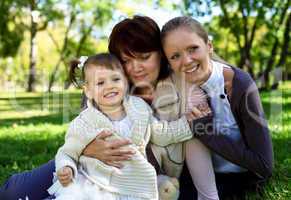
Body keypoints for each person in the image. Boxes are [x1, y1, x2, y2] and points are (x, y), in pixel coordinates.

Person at [48, 53, 200, 200]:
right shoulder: (85, 121)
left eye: (115, 79)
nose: (110, 86)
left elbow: (161, 133)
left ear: (125, 83)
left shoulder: (139, 109)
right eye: (101, 83)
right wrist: (66, 167)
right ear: (88, 91)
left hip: (133, 183)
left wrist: (188, 123)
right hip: (96, 182)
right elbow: (67, 153)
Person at [159, 16, 274, 199]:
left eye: (193, 49)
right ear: (169, 63)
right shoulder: (174, 87)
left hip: (238, 178)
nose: (186, 61)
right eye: (175, 56)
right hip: (197, 175)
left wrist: (205, 131)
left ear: (209, 46)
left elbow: (264, 165)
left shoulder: (240, 85)